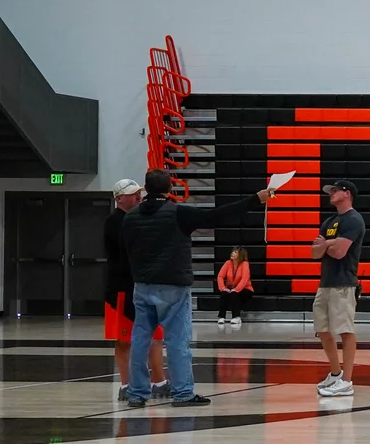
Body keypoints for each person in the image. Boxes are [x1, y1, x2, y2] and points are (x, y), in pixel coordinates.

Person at [118, 169, 278, 408]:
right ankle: (183, 393)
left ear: (145, 189)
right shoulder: (178, 214)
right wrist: (256, 199)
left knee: (140, 339)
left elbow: (127, 251)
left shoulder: (130, 217)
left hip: (142, 285)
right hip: (173, 284)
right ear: (169, 189)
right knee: (176, 341)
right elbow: (218, 216)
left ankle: (137, 393)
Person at [102, 178, 168, 397]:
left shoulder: (136, 218)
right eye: (133, 194)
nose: (138, 197)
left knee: (155, 334)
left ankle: (159, 382)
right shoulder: (115, 222)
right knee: (124, 339)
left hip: (143, 285)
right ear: (119, 198)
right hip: (122, 289)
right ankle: (126, 385)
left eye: (139, 193)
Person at [311, 179, 366, 399]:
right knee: (323, 330)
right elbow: (314, 253)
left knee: (345, 330)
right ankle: (335, 373)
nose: (331, 193)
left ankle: (347, 381)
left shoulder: (354, 219)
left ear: (347, 193)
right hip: (325, 282)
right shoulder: (329, 221)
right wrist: (326, 246)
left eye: (335, 190)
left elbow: (340, 252)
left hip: (344, 282)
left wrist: (325, 244)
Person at [214, 248, 253, 326]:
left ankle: (236, 317)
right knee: (224, 294)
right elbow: (220, 276)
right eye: (232, 252)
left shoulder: (245, 264)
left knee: (235, 294)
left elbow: (245, 278)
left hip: (245, 289)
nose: (232, 253)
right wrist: (223, 288)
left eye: (235, 252)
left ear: (240, 255)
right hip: (230, 288)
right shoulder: (228, 263)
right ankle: (221, 317)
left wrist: (236, 289)